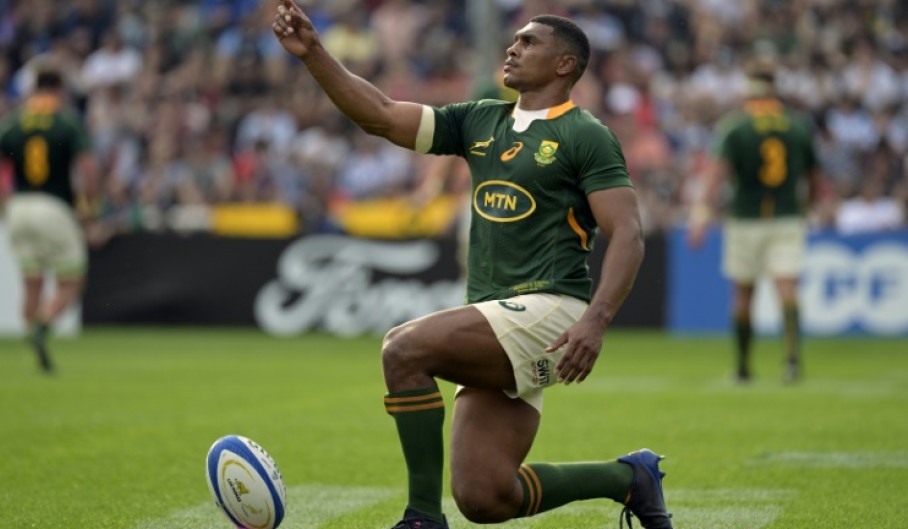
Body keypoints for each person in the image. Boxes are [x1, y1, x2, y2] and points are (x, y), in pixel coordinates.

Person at [272, 2, 673, 529]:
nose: (513, 47)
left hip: (551, 312)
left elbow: (629, 233)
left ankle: (420, 518)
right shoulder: (481, 119)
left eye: (529, 42)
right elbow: (382, 115)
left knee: (404, 349)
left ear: (564, 66)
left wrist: (595, 320)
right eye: (515, 39)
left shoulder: (585, 134)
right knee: (485, 497)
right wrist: (315, 55)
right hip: (500, 315)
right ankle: (628, 478)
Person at [688, 61, 820, 384]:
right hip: (787, 214)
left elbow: (717, 174)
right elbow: (815, 178)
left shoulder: (735, 127)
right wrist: (807, 207)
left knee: (743, 291)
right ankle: (791, 361)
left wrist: (701, 214)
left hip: (745, 216)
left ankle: (744, 367)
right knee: (787, 287)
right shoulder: (797, 126)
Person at [0, 64, 99, 373]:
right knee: (70, 282)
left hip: (18, 206)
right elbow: (88, 169)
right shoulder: (68, 123)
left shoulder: (11, 122)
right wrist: (89, 205)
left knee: (31, 284)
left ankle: (34, 348)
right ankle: (42, 326)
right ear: (59, 88)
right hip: (54, 206)